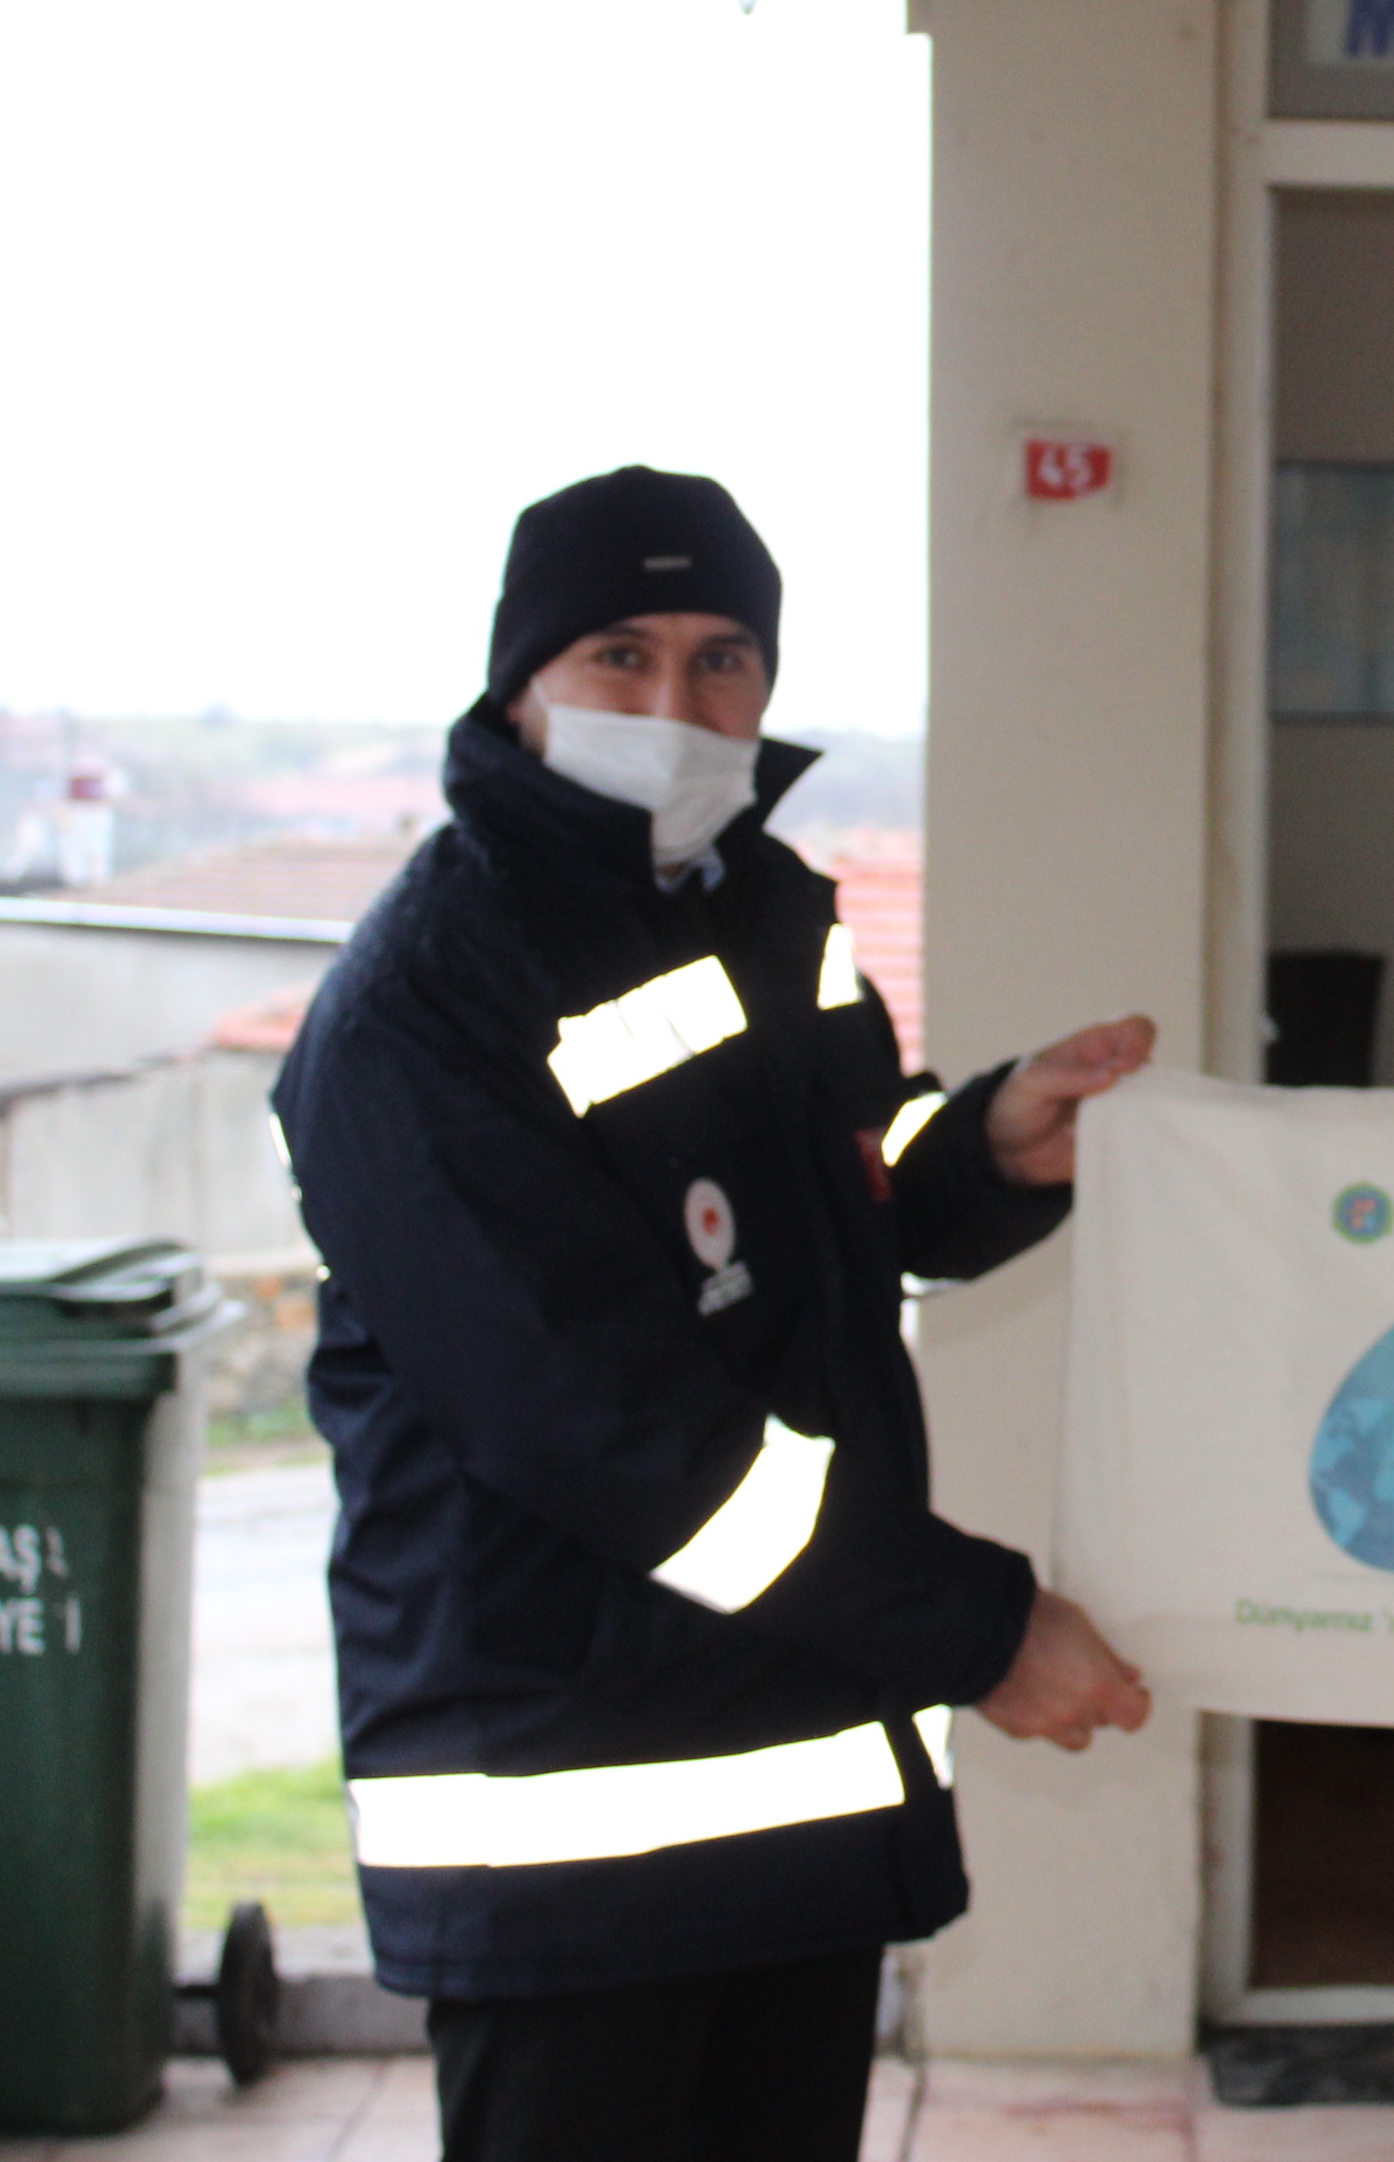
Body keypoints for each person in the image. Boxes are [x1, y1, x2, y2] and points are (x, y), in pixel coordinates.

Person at [273, 466, 1156, 2162]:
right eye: (619, 655)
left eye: (721, 659)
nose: (676, 706)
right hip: (568, 1823)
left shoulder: (765, 911)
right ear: (519, 684)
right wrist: (978, 1629)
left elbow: (833, 1199)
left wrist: (984, 1148)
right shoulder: (421, 1009)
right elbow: (614, 1436)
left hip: (792, 1767)